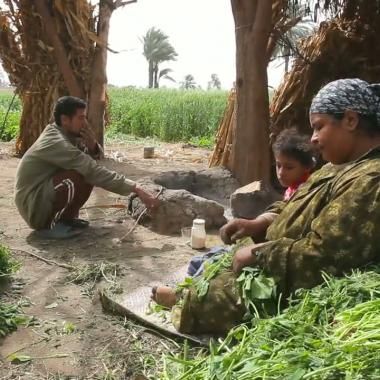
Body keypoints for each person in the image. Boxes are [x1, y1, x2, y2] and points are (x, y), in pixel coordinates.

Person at [152, 78, 380, 334]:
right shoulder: (336, 167)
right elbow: (294, 205)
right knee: (214, 264)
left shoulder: (370, 180)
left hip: (298, 279)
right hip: (277, 258)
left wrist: (261, 255)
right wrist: (258, 223)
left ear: (350, 120)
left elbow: (325, 256)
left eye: (319, 127)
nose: (314, 139)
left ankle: (185, 301)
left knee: (214, 298)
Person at [15, 96, 158, 239]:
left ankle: (66, 220)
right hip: (33, 205)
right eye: (81, 118)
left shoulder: (68, 136)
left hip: (41, 198)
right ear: (65, 120)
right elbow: (91, 169)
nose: (85, 123)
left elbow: (91, 164)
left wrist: (92, 147)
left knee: (84, 176)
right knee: (74, 179)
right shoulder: (57, 142)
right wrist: (136, 188)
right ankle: (48, 227)